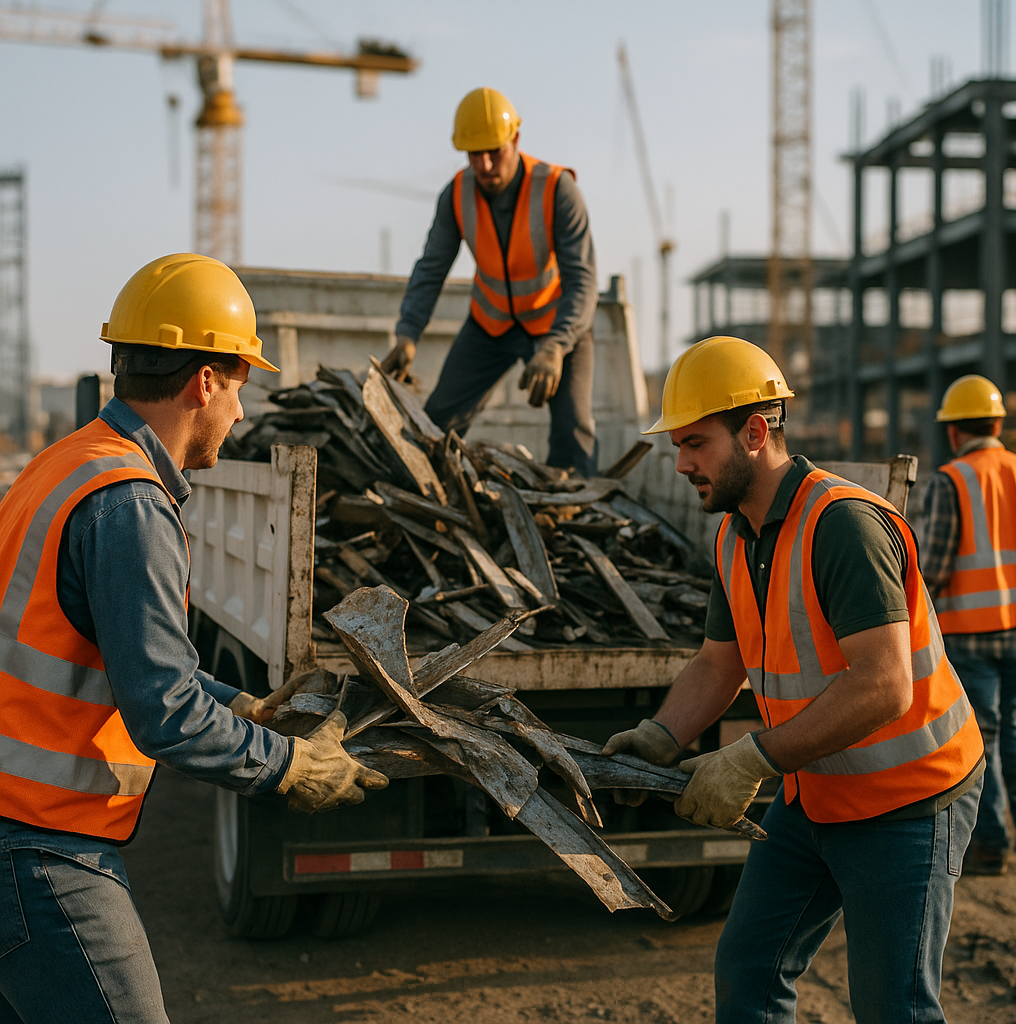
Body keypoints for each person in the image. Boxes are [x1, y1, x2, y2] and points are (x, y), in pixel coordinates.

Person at [0, 253, 388, 1023]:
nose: (242, 413)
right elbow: (163, 709)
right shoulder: (130, 506)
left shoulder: (64, 465)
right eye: (241, 385)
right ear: (204, 380)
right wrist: (286, 768)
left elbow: (126, 662)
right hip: (39, 852)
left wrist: (242, 704)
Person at [603, 336, 985, 1023]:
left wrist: (752, 756)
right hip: (815, 791)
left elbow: (885, 685)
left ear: (754, 432)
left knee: (892, 1007)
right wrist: (663, 736)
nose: (682, 462)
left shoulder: (842, 525)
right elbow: (720, 662)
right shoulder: (734, 534)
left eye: (695, 443)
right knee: (750, 967)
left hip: (909, 800)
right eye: (677, 446)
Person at [382, 86, 599, 476]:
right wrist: (407, 334)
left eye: (493, 151)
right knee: (435, 426)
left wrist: (555, 347)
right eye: (473, 154)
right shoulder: (456, 195)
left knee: (574, 438)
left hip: (556, 328)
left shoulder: (556, 189)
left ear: (514, 139)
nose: (483, 165)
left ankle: (574, 515)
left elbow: (583, 279)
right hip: (490, 326)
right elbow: (431, 268)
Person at [919, 374, 1016, 876]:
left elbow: (933, 567)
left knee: (985, 737)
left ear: (954, 431)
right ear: (998, 423)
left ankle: (991, 844)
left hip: (970, 632)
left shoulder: (951, 479)